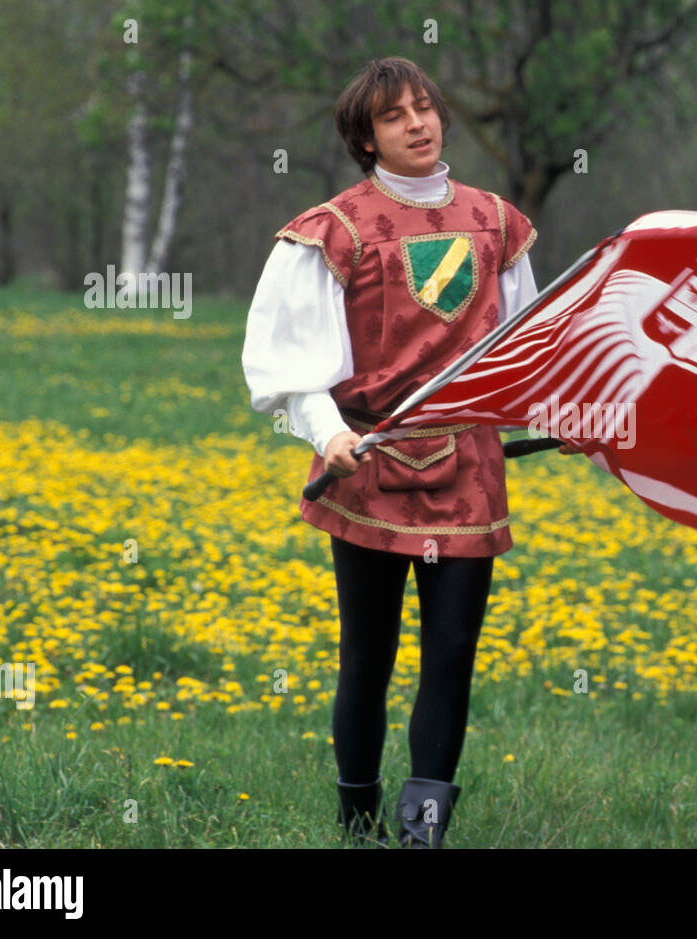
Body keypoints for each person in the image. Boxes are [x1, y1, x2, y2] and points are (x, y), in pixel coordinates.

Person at [242, 56, 572, 848]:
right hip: (369, 466)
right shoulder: (333, 231)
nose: (419, 124)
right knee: (369, 656)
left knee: (452, 653)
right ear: (366, 138)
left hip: (470, 469)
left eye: (425, 108)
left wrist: (567, 410)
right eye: (395, 116)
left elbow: (526, 347)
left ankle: (424, 831)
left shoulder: (497, 222)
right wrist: (329, 433)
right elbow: (290, 364)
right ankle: (357, 823)